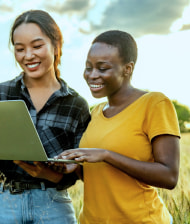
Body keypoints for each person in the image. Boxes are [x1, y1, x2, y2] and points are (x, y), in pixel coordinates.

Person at [0, 9, 90, 224]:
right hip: (2, 203)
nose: (28, 56)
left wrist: (49, 173)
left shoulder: (76, 105)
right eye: (20, 49)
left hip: (52, 204)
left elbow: (79, 171)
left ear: (56, 45)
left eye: (37, 46)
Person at [56, 30, 180, 223]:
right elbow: (102, 179)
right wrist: (76, 167)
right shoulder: (95, 112)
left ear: (127, 68)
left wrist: (107, 155)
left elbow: (169, 176)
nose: (92, 75)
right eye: (88, 67)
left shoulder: (154, 103)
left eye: (102, 68)